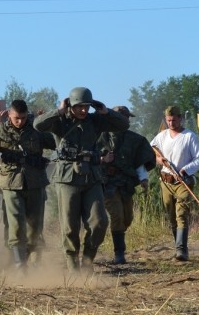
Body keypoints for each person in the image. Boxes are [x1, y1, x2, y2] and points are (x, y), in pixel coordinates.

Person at [33, 87, 130, 273]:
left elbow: (123, 125)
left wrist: (106, 111)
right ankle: (72, 266)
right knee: (70, 227)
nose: (83, 111)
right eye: (79, 107)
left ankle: (87, 260)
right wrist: (59, 111)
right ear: (71, 105)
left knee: (99, 222)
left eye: (86, 106)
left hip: (91, 177)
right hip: (67, 178)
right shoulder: (59, 122)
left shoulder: (95, 121)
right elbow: (38, 125)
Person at [0, 100, 56, 275]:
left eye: (23, 118)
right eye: (17, 118)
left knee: (35, 228)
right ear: (9, 114)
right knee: (16, 225)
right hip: (10, 183)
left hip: (35, 182)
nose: (20, 122)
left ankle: (30, 259)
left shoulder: (36, 129)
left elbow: (54, 142)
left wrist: (45, 123)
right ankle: (19, 266)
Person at [97, 106, 156, 264]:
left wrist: (143, 178)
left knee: (127, 218)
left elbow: (139, 161)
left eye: (127, 118)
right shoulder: (99, 136)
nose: (126, 120)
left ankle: (118, 240)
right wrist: (102, 160)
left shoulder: (134, 139)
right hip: (107, 184)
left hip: (126, 184)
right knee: (117, 215)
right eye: (123, 117)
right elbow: (87, 157)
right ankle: (119, 253)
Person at [150, 106, 199, 261]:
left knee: (181, 215)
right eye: (168, 120)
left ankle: (182, 251)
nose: (171, 123)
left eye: (174, 120)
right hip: (166, 182)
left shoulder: (189, 136)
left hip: (183, 182)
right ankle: (177, 245)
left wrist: (185, 170)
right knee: (171, 216)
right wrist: (159, 160)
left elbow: (198, 159)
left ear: (180, 118)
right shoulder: (161, 136)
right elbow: (151, 151)